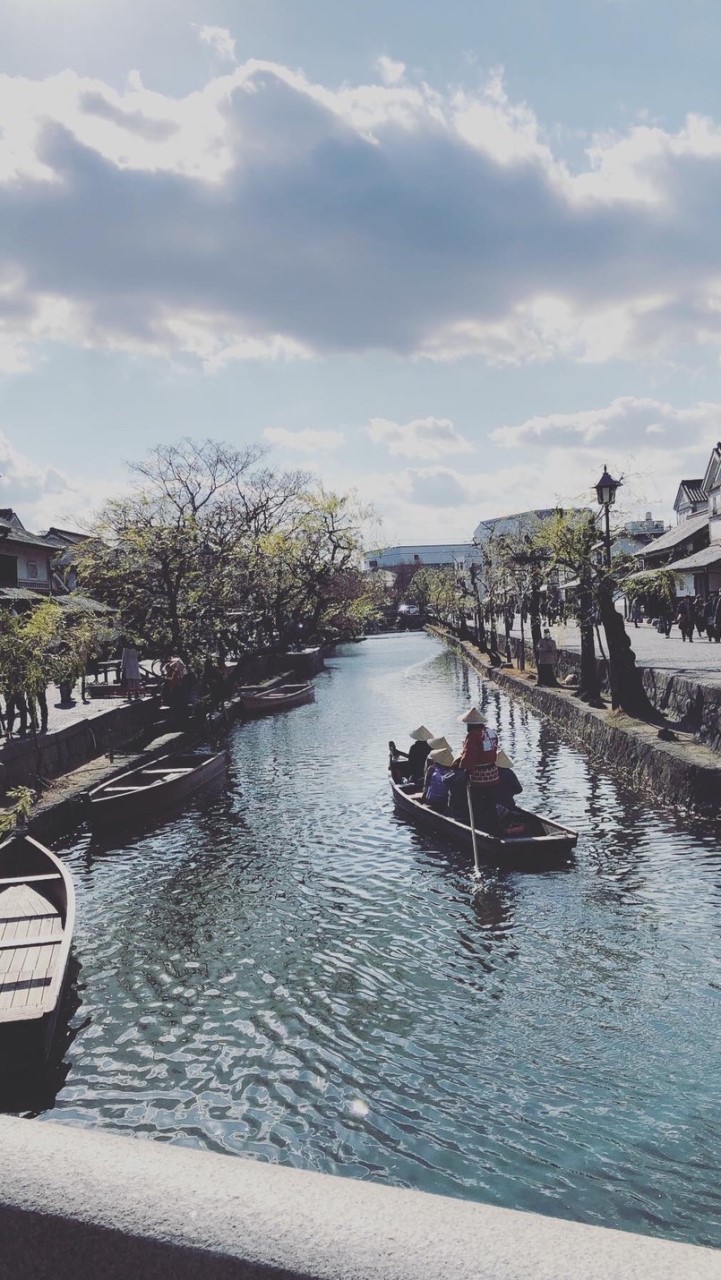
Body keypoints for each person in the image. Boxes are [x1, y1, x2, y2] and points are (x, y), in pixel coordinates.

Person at [455, 707, 499, 833]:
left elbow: (469, 757)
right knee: (490, 802)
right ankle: (493, 826)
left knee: (478, 803)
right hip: (493, 774)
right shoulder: (491, 732)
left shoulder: (473, 736)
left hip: (479, 777)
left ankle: (481, 828)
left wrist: (466, 772)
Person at [421, 746, 456, 813]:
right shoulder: (452, 772)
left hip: (432, 800)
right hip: (445, 801)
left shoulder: (431, 769)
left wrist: (423, 799)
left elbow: (426, 785)